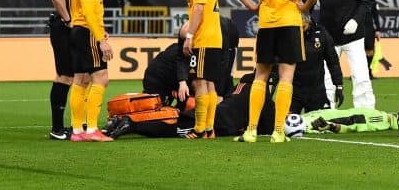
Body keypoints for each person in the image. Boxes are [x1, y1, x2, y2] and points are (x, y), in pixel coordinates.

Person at [228, 0, 321, 143]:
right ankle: (278, 132)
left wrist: (251, 5)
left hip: (267, 23)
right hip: (289, 23)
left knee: (261, 75)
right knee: (286, 76)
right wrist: (305, 7)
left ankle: (251, 130)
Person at [106, 72, 276, 139]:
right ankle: (131, 124)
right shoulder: (264, 96)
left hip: (214, 113)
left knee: (175, 119)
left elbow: (229, 101)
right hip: (222, 124)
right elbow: (266, 130)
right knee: (173, 129)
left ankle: (126, 121)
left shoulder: (244, 85)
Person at [312, 0, 375, 108]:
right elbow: (308, 3)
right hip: (328, 37)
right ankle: (326, 110)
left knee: (360, 75)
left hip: (353, 37)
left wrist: (356, 20)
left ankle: (366, 110)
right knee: (325, 77)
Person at [68, 0, 116, 142]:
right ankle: (92, 129)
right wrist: (101, 39)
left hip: (79, 31)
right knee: (101, 77)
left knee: (81, 79)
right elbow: (88, 11)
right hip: (86, 31)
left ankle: (78, 130)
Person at [177, 0, 223, 139]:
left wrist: (189, 36)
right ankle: (209, 129)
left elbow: (198, 9)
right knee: (209, 83)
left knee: (198, 82)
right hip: (213, 37)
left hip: (204, 38)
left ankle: (200, 129)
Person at [47, 0, 85, 140]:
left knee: (79, 75)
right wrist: (68, 20)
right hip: (64, 28)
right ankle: (57, 128)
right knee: (65, 76)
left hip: (72, 28)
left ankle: (75, 125)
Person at [291, 12, 343, 113]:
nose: (300, 30)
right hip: (293, 92)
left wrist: (339, 85)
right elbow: (277, 63)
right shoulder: (288, 35)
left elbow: (333, 61)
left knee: (321, 125)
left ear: (308, 22)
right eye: (297, 27)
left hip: (317, 92)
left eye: (303, 27)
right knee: (286, 126)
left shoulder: (322, 34)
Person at [303, 107, 399, 134]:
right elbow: (354, 121)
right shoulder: (381, 119)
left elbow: (354, 122)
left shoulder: (381, 120)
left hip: (330, 116)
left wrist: (334, 127)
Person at [364, 0, 383, 79]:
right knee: (356, 52)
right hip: (356, 28)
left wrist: (378, 29)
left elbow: (375, 15)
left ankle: (368, 72)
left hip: (369, 28)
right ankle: (356, 73)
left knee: (370, 51)